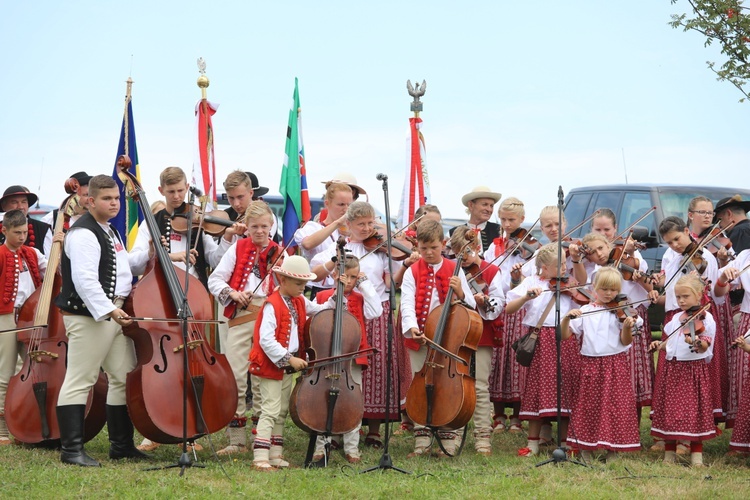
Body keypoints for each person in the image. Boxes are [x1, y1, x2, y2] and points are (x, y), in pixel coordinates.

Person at [54, 175, 147, 467]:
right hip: (91, 315)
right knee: (81, 379)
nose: (115, 203)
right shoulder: (83, 233)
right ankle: (71, 450)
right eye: (108, 199)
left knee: (122, 376)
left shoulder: (110, 231)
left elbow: (123, 266)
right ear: (90, 201)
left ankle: (121, 445)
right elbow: (85, 281)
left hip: (114, 314)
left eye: (117, 198)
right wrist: (109, 310)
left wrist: (154, 254)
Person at [310, 201, 412, 449]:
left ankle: (374, 430)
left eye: (370, 223)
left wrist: (404, 264)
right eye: (361, 224)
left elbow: (390, 285)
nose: (367, 228)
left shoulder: (382, 249)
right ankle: (338, 425)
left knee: (377, 371)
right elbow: (315, 273)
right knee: (343, 369)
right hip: (345, 311)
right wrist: (335, 262)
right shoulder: (339, 247)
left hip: (377, 311)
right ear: (349, 224)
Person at [207, 200, 280, 455]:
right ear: (246, 227)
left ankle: (263, 438)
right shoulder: (238, 248)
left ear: (271, 226)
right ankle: (236, 441)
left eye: (264, 226)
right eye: (254, 226)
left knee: (262, 379)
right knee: (236, 376)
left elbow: (288, 289)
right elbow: (214, 279)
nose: (259, 231)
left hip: (269, 321)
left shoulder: (281, 252)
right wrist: (233, 293)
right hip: (240, 318)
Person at [248, 255, 334, 471]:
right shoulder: (272, 305)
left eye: (304, 283)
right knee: (269, 409)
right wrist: (289, 358)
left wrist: (339, 292)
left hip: (287, 366)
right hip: (271, 366)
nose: (302, 287)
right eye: (298, 283)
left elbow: (320, 308)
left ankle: (275, 454)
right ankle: (260, 456)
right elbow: (265, 339)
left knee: (282, 410)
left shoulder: (299, 300)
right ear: (283, 280)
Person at [400, 220, 476, 457]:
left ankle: (448, 435)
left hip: (449, 339)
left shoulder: (455, 268)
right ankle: (422, 438)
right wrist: (412, 327)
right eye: (423, 249)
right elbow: (406, 303)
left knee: (448, 386)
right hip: (422, 337)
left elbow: (471, 305)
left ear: (443, 244)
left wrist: (461, 292)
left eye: (433, 247)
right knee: (420, 384)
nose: (429, 253)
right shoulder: (412, 271)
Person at [561, 267, 642, 463]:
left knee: (615, 407)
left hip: (615, 364)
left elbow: (626, 342)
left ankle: (612, 450)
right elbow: (564, 335)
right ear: (594, 288)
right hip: (590, 364)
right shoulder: (586, 311)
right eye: (604, 289)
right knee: (588, 406)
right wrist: (566, 319)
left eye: (613, 290)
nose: (609, 294)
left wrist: (627, 327)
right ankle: (586, 450)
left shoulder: (623, 312)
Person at [505, 243, 576, 457]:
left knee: (565, 390)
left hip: (564, 339)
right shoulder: (532, 282)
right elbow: (509, 308)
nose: (564, 268)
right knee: (536, 388)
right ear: (544, 268)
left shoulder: (569, 283)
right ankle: (533, 443)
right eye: (559, 265)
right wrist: (527, 296)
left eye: (565, 263)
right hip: (541, 340)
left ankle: (565, 444)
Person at [311, 254, 380, 464]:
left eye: (353, 277)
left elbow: (375, 311)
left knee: (352, 401)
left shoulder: (359, 298)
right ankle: (321, 445)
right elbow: (313, 322)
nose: (348, 282)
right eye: (345, 276)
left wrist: (364, 283)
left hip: (352, 358)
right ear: (334, 274)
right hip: (326, 357)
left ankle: (352, 447)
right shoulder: (323, 297)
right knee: (321, 401)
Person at [591, 209, 656, 422]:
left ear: (615, 230)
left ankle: (631, 427)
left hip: (629, 316)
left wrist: (637, 277)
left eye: (607, 229)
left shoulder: (632, 256)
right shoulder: (592, 259)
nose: (603, 233)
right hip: (603, 321)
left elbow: (649, 288)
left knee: (632, 375)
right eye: (598, 229)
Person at [129, 166, 236, 289]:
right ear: (161, 190)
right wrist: (150, 253)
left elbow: (215, 261)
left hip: (196, 293)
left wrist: (227, 238)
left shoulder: (198, 220)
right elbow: (132, 266)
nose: (176, 196)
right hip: (161, 293)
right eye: (171, 191)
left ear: (187, 187)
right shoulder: (151, 223)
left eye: (180, 190)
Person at [650, 274, 717, 467]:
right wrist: (659, 344)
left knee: (694, 412)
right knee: (670, 411)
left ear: (698, 295)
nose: (681, 301)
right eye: (678, 297)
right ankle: (669, 455)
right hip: (674, 369)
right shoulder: (674, 319)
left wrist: (697, 343)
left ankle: (697, 457)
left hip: (692, 370)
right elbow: (670, 342)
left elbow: (705, 344)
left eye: (685, 296)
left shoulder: (707, 318)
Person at [450, 225, 504, 455]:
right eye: (458, 254)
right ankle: (453, 432)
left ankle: (483, 436)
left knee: (480, 386)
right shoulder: (449, 269)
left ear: (477, 247)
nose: (463, 259)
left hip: (481, 333)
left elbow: (498, 304)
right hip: (453, 333)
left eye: (468, 253)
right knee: (454, 385)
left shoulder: (490, 271)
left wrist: (482, 301)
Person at [0, 210, 51, 445]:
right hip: (6, 316)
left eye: (23, 232)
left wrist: (59, 242)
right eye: (16, 232)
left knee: (31, 370)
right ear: (4, 230)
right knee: (6, 371)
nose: (21, 237)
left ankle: (22, 424)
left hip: (28, 318)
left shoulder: (31, 253)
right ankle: (1, 429)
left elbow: (52, 268)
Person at [485, 197, 531, 435]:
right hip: (500, 305)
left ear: (522, 219)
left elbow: (533, 274)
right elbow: (490, 271)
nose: (506, 224)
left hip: (519, 306)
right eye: (502, 219)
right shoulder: (495, 246)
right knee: (498, 360)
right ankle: (499, 414)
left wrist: (517, 277)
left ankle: (517, 416)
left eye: (511, 220)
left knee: (517, 360)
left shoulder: (529, 247)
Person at [295, 182, 353, 298]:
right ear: (327, 204)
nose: (346, 209)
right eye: (341, 204)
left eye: (349, 205)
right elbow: (307, 244)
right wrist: (337, 223)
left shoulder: (352, 230)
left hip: (349, 289)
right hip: (322, 290)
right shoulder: (314, 227)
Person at [223, 170, 280, 243]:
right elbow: (218, 254)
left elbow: (262, 247)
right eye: (231, 198)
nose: (236, 204)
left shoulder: (265, 215)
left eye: (240, 197)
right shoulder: (226, 214)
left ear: (251, 193)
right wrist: (227, 236)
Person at [0, 186, 52, 255]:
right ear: (4, 206)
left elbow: (49, 262)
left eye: (24, 202)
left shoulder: (42, 229)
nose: (20, 206)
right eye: (14, 202)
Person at [450, 186, 502, 254]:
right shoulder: (453, 233)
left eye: (491, 206)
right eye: (484, 204)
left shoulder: (499, 231)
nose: (489, 209)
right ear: (471, 205)